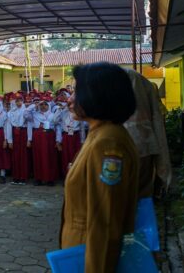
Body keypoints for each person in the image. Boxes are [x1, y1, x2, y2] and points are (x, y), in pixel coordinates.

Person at [61, 62, 139, 273]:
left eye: (76, 91)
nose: (69, 99)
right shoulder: (99, 133)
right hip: (79, 252)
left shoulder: (108, 143)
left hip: (89, 258)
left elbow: (104, 222)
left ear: (97, 95)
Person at [123, 69, 171, 198]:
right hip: (147, 145)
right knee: (143, 194)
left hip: (135, 149)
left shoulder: (119, 111)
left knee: (136, 194)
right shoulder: (145, 87)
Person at [28, 97, 59, 186]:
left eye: (45, 104)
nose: (43, 106)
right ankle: (39, 178)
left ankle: (50, 179)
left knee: (50, 157)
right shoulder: (35, 114)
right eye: (41, 104)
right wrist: (35, 105)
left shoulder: (53, 115)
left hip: (49, 136)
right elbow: (26, 114)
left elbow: (57, 127)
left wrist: (58, 140)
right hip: (38, 136)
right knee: (38, 157)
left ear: (48, 105)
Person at [53, 94, 86, 178]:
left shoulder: (78, 113)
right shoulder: (63, 113)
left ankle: (76, 176)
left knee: (75, 156)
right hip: (66, 137)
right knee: (66, 157)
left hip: (75, 136)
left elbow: (82, 129)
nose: (71, 106)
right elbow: (54, 121)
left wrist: (82, 141)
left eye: (72, 104)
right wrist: (59, 110)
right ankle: (67, 176)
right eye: (69, 104)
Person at [6, 94, 29, 185]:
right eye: (16, 101)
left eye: (20, 101)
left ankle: (23, 177)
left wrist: (29, 139)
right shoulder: (11, 112)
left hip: (23, 133)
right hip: (14, 133)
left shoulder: (25, 111)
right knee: (15, 156)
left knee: (23, 156)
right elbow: (8, 126)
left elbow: (29, 124)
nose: (18, 103)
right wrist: (9, 140)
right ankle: (16, 176)